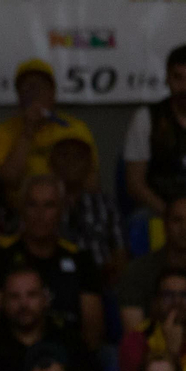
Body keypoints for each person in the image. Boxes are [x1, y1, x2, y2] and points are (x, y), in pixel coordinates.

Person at [0, 175, 106, 352]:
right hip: (6, 355)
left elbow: (92, 332)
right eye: (32, 204)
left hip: (69, 355)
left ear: (61, 210)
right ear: (21, 209)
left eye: (49, 205)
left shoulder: (81, 259)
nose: (40, 214)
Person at [0, 59, 99, 193]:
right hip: (21, 204)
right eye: (27, 88)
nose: (34, 94)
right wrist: (28, 131)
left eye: (40, 87)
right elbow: (9, 179)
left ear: (52, 93)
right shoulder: (4, 131)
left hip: (67, 202)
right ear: (18, 95)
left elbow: (92, 182)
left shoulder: (74, 128)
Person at [50, 136, 127, 279]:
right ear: (51, 163)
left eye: (78, 157)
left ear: (90, 165)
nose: (71, 162)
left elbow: (120, 251)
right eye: (64, 155)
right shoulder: (42, 204)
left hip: (101, 280)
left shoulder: (106, 204)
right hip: (54, 279)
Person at [124, 44, 186, 219]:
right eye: (178, 77)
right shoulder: (146, 118)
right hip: (160, 210)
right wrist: (171, 215)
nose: (184, 87)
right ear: (167, 78)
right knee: (140, 220)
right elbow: (135, 184)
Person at [119, 279, 186, 371]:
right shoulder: (136, 340)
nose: (177, 302)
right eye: (168, 295)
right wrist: (172, 352)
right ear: (155, 302)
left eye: (184, 295)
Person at [117, 194, 186, 333]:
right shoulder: (138, 271)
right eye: (177, 220)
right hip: (152, 344)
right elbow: (134, 335)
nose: (184, 228)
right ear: (164, 225)